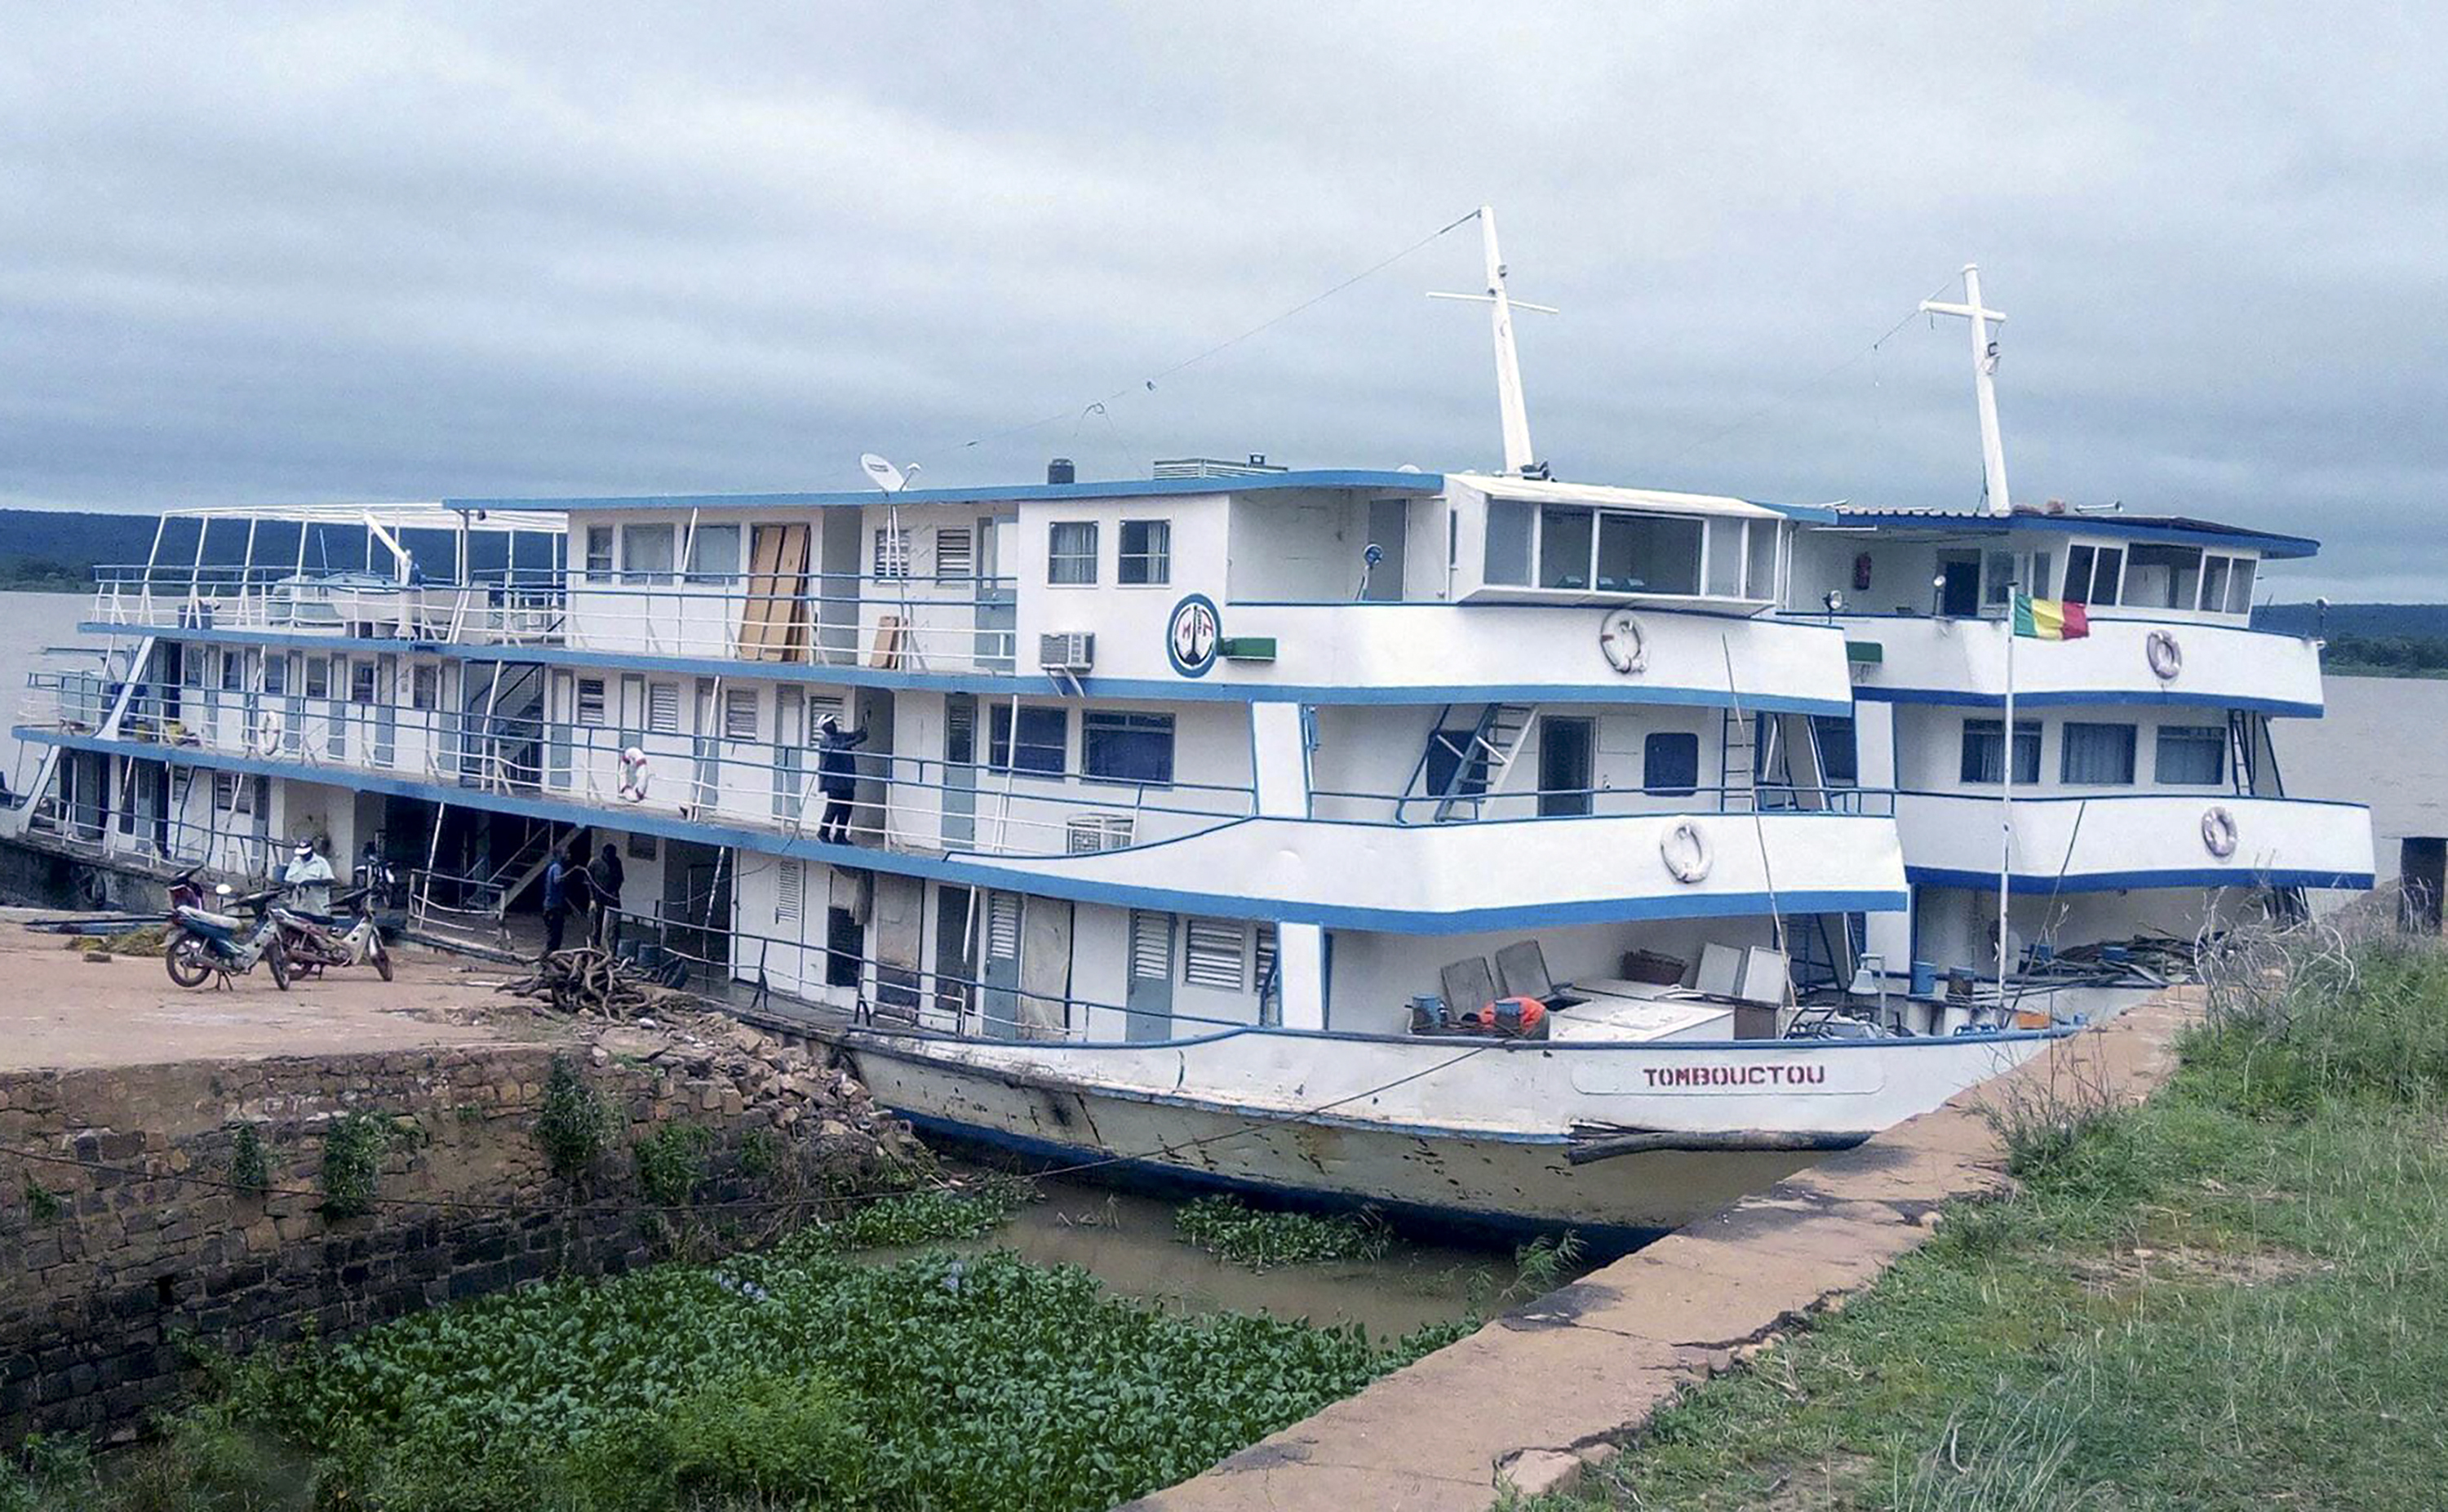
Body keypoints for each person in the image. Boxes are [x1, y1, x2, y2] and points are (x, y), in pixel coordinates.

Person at [814, 714, 869, 845]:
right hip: (833, 781)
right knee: (833, 808)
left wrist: (863, 729)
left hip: (847, 780)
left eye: (833, 722)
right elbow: (839, 748)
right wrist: (856, 741)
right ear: (825, 727)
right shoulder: (825, 741)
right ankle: (823, 832)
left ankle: (840, 835)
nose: (834, 724)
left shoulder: (840, 736)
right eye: (830, 723)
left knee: (846, 808)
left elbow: (853, 735)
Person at [283, 839, 335, 916]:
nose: (303, 856)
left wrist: (311, 883)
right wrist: (290, 885)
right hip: (298, 906)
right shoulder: (295, 862)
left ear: (311, 851)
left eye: (305, 854)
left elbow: (329, 881)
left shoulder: (321, 862)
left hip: (316, 907)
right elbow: (287, 880)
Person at [589, 841, 625, 951]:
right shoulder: (595, 863)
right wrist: (592, 899)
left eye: (613, 854)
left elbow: (620, 878)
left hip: (613, 896)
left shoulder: (616, 862)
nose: (610, 857)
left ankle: (613, 946)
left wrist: (615, 890)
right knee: (597, 921)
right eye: (608, 854)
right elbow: (589, 881)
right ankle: (595, 945)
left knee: (614, 922)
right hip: (598, 897)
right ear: (604, 853)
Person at [541, 844, 571, 958]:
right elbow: (557, 880)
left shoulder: (553, 866)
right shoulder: (557, 868)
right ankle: (548, 959)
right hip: (554, 907)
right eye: (566, 853)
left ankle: (550, 958)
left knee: (554, 935)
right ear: (559, 854)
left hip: (552, 905)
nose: (569, 855)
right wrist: (568, 874)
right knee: (554, 936)